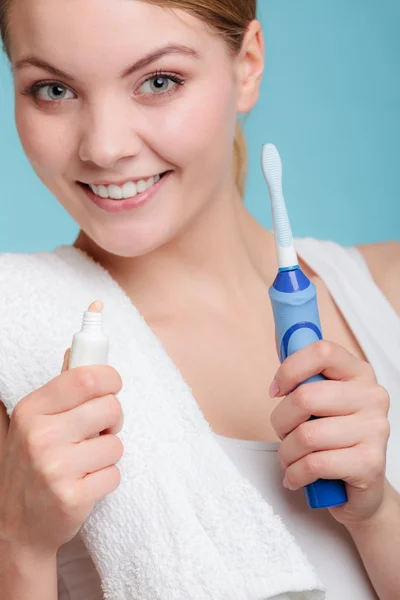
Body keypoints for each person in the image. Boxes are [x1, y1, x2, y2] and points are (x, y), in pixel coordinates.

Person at [0, 0, 399, 598]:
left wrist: (378, 514)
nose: (104, 147)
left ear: (248, 65)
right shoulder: (15, 351)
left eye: (159, 81)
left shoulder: (387, 289)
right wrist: (21, 546)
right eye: (53, 89)